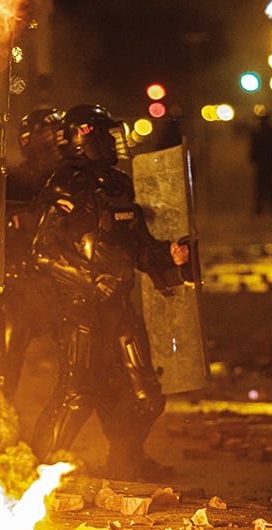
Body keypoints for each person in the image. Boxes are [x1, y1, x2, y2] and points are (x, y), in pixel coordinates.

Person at [28, 104, 193, 481]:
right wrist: (90, 280)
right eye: (102, 135)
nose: (111, 143)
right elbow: (43, 252)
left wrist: (167, 254)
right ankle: (38, 474)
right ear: (81, 140)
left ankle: (125, 465)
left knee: (146, 397)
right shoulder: (64, 185)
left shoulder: (119, 185)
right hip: (79, 309)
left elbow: (137, 246)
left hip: (119, 307)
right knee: (76, 394)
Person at [0, 108, 66, 395]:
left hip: (68, 286)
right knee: (1, 366)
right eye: (49, 135)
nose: (56, 142)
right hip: (20, 286)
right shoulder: (14, 182)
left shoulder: (76, 179)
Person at [249, 113, 272, 215]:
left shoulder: (258, 133)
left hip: (262, 163)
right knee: (270, 186)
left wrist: (253, 158)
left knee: (261, 187)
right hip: (270, 162)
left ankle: (260, 208)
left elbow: (254, 148)